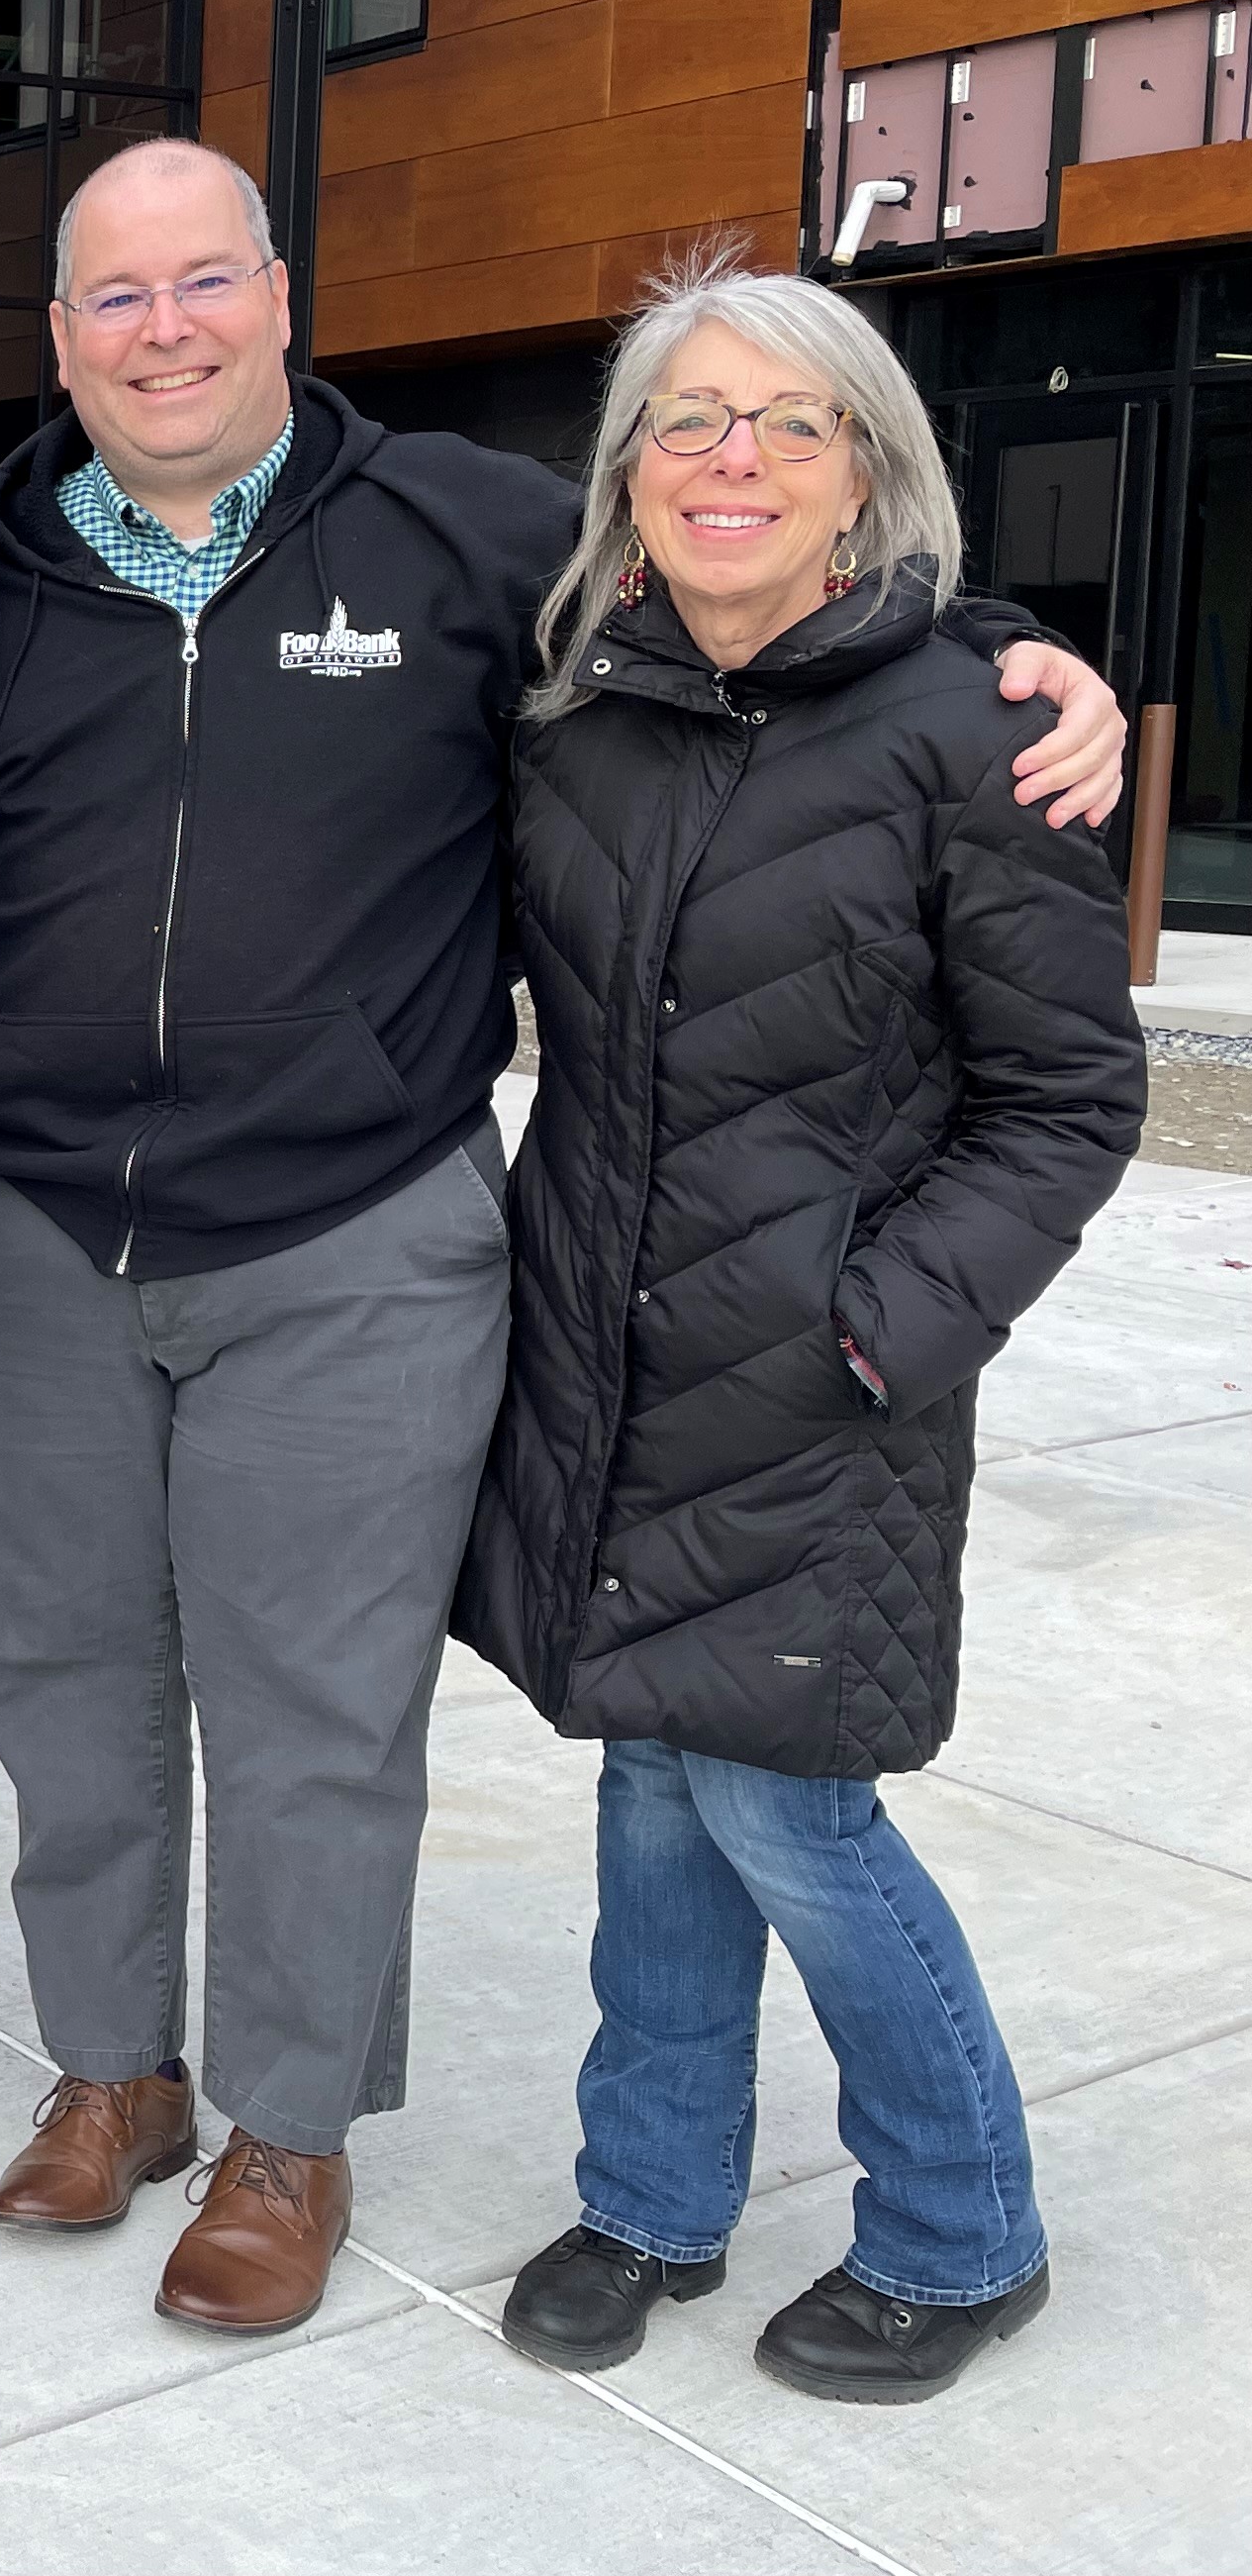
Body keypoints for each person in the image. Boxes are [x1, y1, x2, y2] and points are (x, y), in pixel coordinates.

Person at [0, 138, 1126, 2337]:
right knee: (65, 1688)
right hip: (21, 1233)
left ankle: (290, 2132)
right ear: (62, 337)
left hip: (350, 1229)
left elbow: (772, 607)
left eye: (206, 284)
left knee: (317, 1712)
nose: (165, 330)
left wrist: (1029, 655)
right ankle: (117, 2072)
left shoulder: (463, 527)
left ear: (283, 301)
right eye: (115, 298)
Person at [464, 255, 1140, 2403]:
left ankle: (959, 2227)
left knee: (793, 1813)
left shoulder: (971, 723)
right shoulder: (583, 708)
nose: (731, 458)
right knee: (655, 1785)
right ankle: (651, 2196)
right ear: (632, 477)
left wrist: (879, 1331)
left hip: (823, 1390)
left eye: (789, 421)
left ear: (866, 475)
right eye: (689, 422)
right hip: (609, 1369)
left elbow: (1068, 1096)